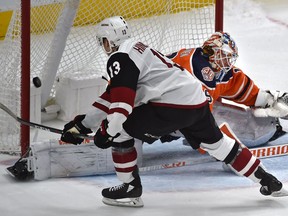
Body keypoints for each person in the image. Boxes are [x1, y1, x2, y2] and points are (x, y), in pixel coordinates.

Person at [60, 17, 285, 207]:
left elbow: (120, 106)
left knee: (121, 131)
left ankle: (130, 189)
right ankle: (265, 178)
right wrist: (84, 125)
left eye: (104, 42)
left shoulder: (120, 58)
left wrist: (106, 133)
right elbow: (112, 97)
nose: (104, 46)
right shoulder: (141, 50)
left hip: (171, 109)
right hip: (195, 104)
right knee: (220, 144)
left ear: (110, 40)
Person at [164, 31, 288, 148]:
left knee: (217, 113)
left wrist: (268, 100)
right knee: (247, 132)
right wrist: (217, 147)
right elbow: (198, 119)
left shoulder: (208, 63)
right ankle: (270, 130)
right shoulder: (199, 70)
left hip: (177, 109)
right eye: (225, 56)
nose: (228, 62)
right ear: (213, 53)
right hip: (165, 112)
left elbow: (238, 85)